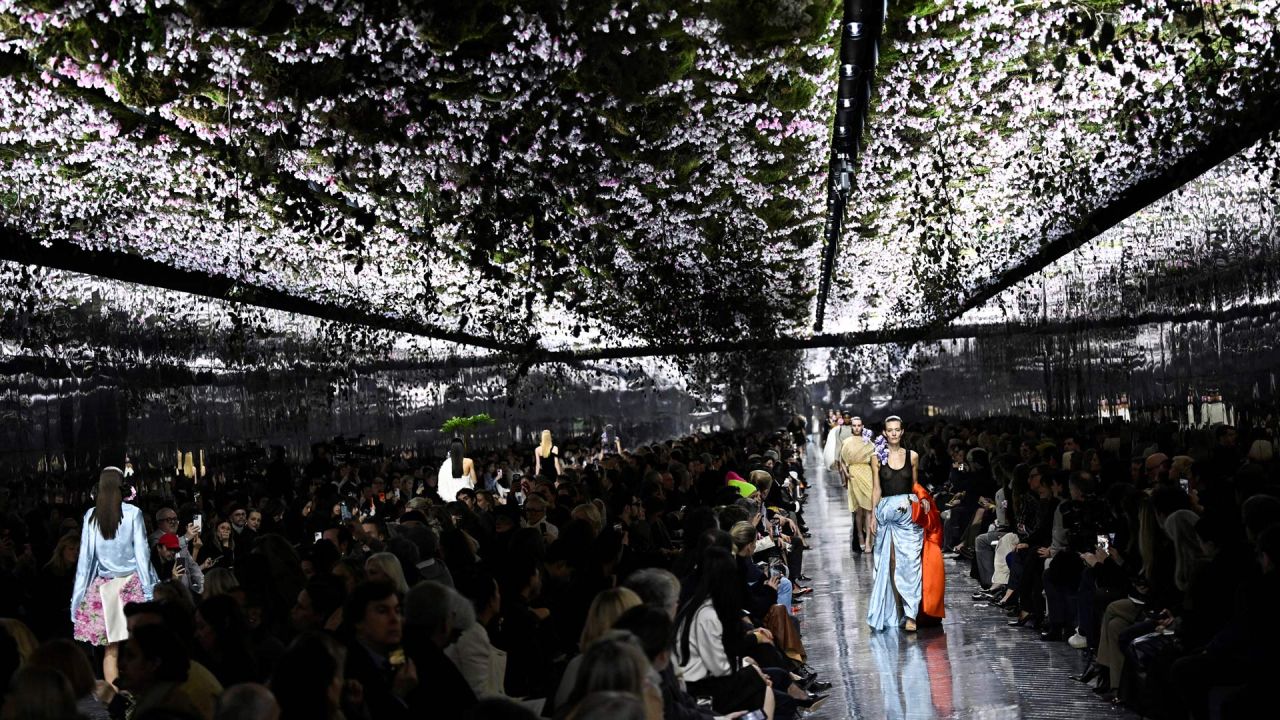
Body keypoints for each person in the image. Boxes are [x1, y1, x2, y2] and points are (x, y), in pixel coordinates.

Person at [70, 467, 159, 685]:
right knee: (140, 645)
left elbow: (85, 562)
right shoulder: (133, 513)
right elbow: (142, 555)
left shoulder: (91, 516)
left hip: (105, 588)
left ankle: (115, 698)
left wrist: (77, 600)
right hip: (132, 584)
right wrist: (149, 592)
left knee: (111, 649)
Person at [867, 416, 925, 632]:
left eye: (897, 429)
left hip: (908, 515)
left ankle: (912, 612)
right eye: (889, 430)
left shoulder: (913, 456)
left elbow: (916, 486)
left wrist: (923, 501)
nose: (893, 433)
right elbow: (876, 489)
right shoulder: (876, 458)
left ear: (902, 432)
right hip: (887, 515)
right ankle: (900, 610)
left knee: (911, 562)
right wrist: (872, 516)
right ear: (884, 432)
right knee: (891, 562)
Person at [839, 418, 876, 554]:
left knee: (869, 510)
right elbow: (842, 460)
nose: (856, 428)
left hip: (867, 474)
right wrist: (846, 474)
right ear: (851, 427)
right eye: (854, 425)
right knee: (858, 510)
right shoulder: (847, 442)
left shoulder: (868, 442)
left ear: (862, 426)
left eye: (859, 425)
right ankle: (860, 535)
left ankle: (868, 541)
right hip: (854, 475)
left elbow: (874, 460)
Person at [439, 438, 478, 505]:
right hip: (466, 496)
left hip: (452, 497)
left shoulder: (446, 464)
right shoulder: (469, 461)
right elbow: (474, 481)